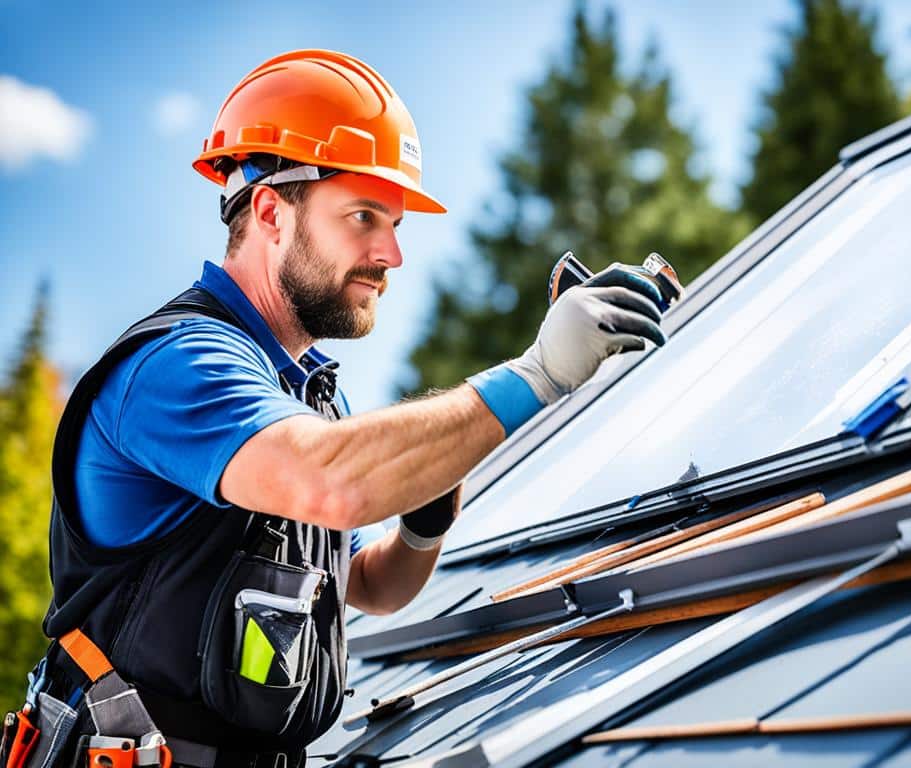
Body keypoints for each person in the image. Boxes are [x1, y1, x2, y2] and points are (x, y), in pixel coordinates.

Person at [35, 50, 667, 767]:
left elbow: (370, 585)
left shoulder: (309, 398)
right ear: (271, 212)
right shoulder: (180, 366)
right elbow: (330, 484)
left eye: (395, 223)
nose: (392, 253)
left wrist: (426, 516)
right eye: (364, 215)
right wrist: (539, 373)